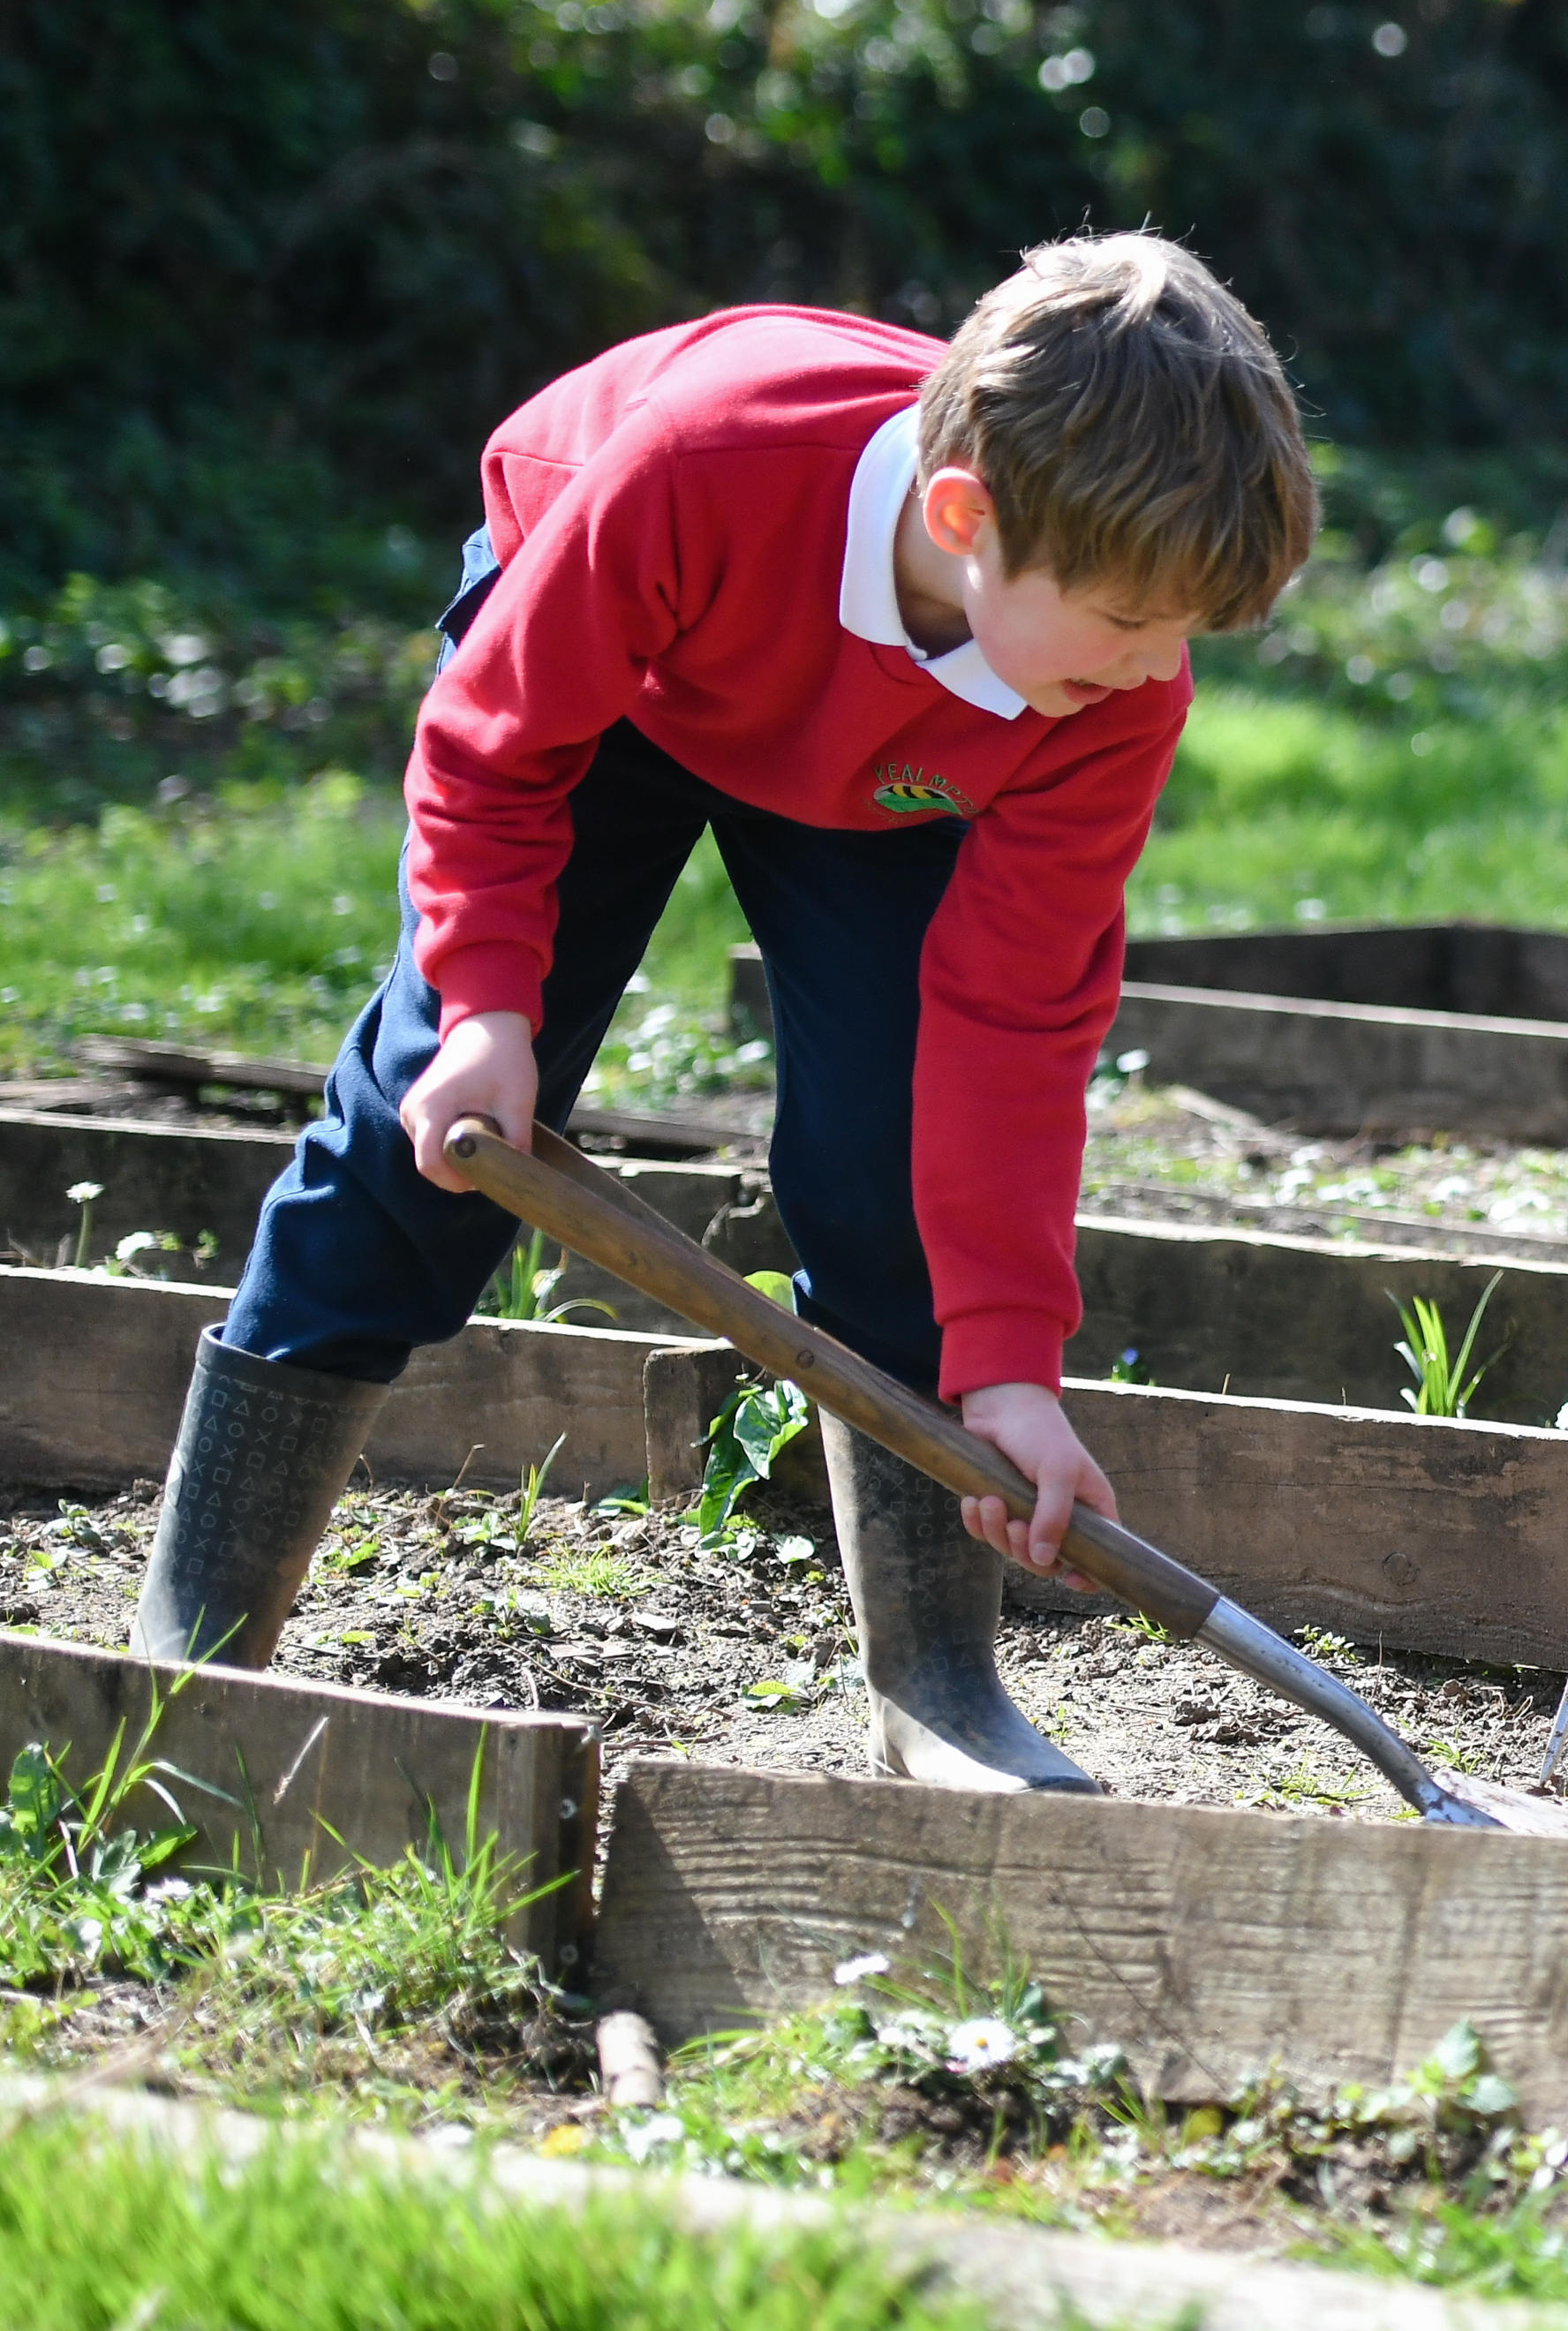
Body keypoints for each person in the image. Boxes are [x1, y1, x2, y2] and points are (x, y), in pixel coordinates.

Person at [139, 236, 1319, 1792]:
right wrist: (486, 1001)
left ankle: (939, 1690)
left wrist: (1010, 1366)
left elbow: (1020, 1015)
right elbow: (493, 749)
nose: (1159, 673)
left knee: (894, 1163)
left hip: (882, 757)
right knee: (427, 1137)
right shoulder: (711, 462)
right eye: (1123, 623)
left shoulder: (1100, 689)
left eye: (1183, 638)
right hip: (608, 674)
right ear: (965, 522)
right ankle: (196, 1636)